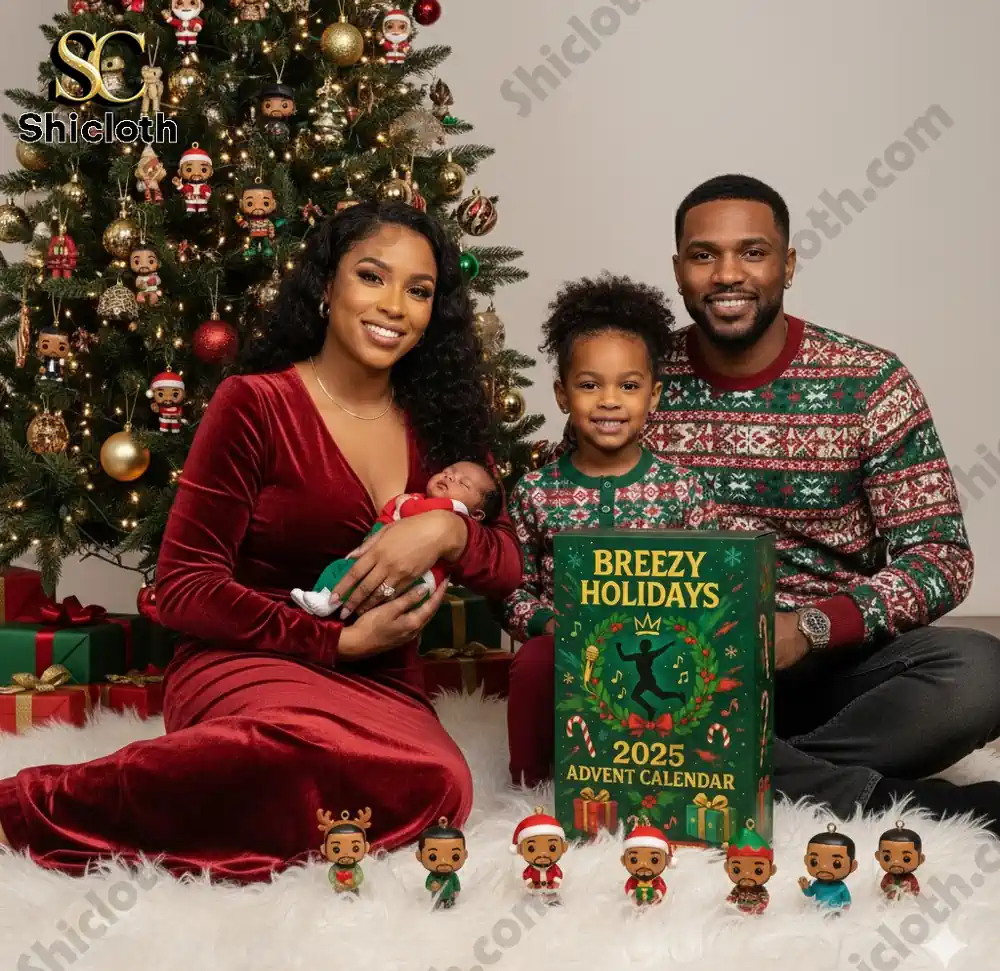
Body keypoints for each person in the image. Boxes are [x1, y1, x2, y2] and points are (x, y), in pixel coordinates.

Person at [0, 202, 522, 882]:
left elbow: (508, 568)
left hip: (382, 681)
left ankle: (216, 789)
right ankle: (29, 804)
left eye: (418, 290)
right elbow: (184, 587)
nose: (394, 306)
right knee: (291, 749)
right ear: (327, 287)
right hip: (248, 658)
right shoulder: (255, 403)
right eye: (372, 277)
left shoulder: (442, 423)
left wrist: (448, 528)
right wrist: (333, 642)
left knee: (436, 783)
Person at [537, 174, 1000, 832]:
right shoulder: (631, 379)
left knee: (978, 674)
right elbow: (578, 513)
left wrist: (814, 626)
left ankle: (723, 773)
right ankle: (857, 796)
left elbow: (942, 558)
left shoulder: (867, 382)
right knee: (577, 681)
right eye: (704, 255)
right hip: (682, 673)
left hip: (836, 668)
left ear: (787, 263)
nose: (729, 274)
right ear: (678, 270)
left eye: (752, 252)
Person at [503, 274, 717, 786]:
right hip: (569, 641)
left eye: (628, 385)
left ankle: (679, 771)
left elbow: (715, 585)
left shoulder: (684, 490)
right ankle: (531, 788)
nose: (609, 401)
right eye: (589, 384)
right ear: (561, 394)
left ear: (654, 395)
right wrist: (548, 626)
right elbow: (513, 589)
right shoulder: (534, 492)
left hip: (660, 640)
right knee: (535, 663)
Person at [292, 460, 503, 617]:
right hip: (379, 563)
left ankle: (329, 602)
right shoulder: (422, 498)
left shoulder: (454, 510)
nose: (450, 477)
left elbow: (410, 511)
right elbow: (388, 514)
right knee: (341, 569)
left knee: (356, 579)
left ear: (476, 515)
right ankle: (323, 597)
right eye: (448, 472)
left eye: (463, 484)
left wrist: (403, 502)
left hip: (417, 578)